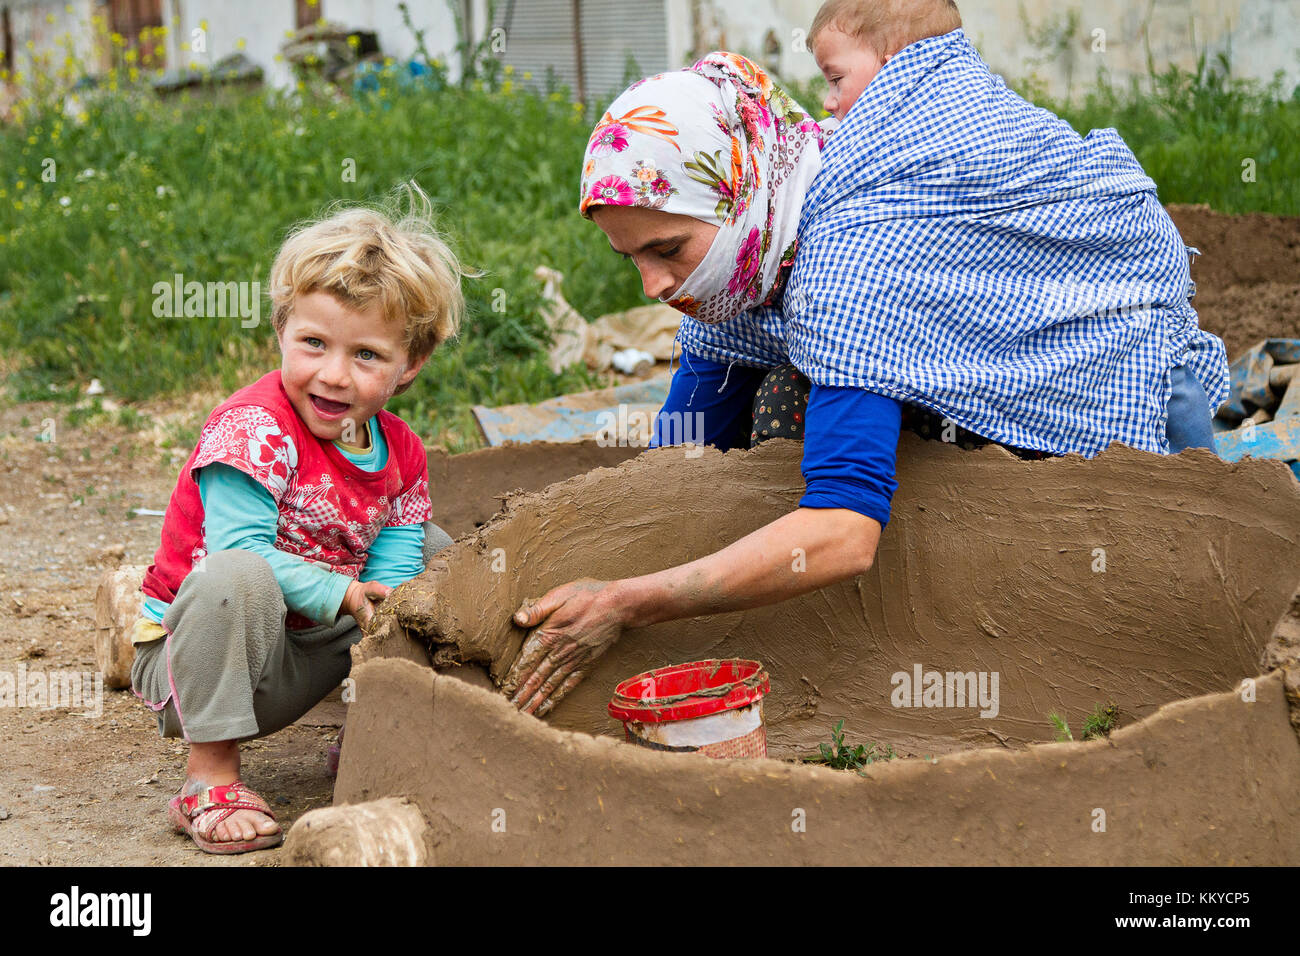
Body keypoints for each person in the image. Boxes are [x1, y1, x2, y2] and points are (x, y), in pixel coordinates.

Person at [499, 9, 1228, 718]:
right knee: (778, 404)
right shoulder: (753, 248)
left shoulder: (847, 269)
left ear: (741, 200)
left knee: (1162, 576)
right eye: (631, 259)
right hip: (932, 339)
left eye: (667, 251)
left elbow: (845, 533)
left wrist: (630, 602)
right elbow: (680, 462)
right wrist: (589, 553)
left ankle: (967, 618)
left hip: (1101, 375)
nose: (654, 288)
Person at [129, 184, 468, 853]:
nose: (334, 374)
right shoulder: (256, 428)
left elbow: (393, 576)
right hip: (196, 660)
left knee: (436, 553)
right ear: (281, 329)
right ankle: (210, 776)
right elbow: (236, 553)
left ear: (412, 363)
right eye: (313, 342)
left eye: (366, 354)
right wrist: (344, 592)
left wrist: (383, 609)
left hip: (299, 651)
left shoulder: (400, 452)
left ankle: (372, 723)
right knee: (238, 573)